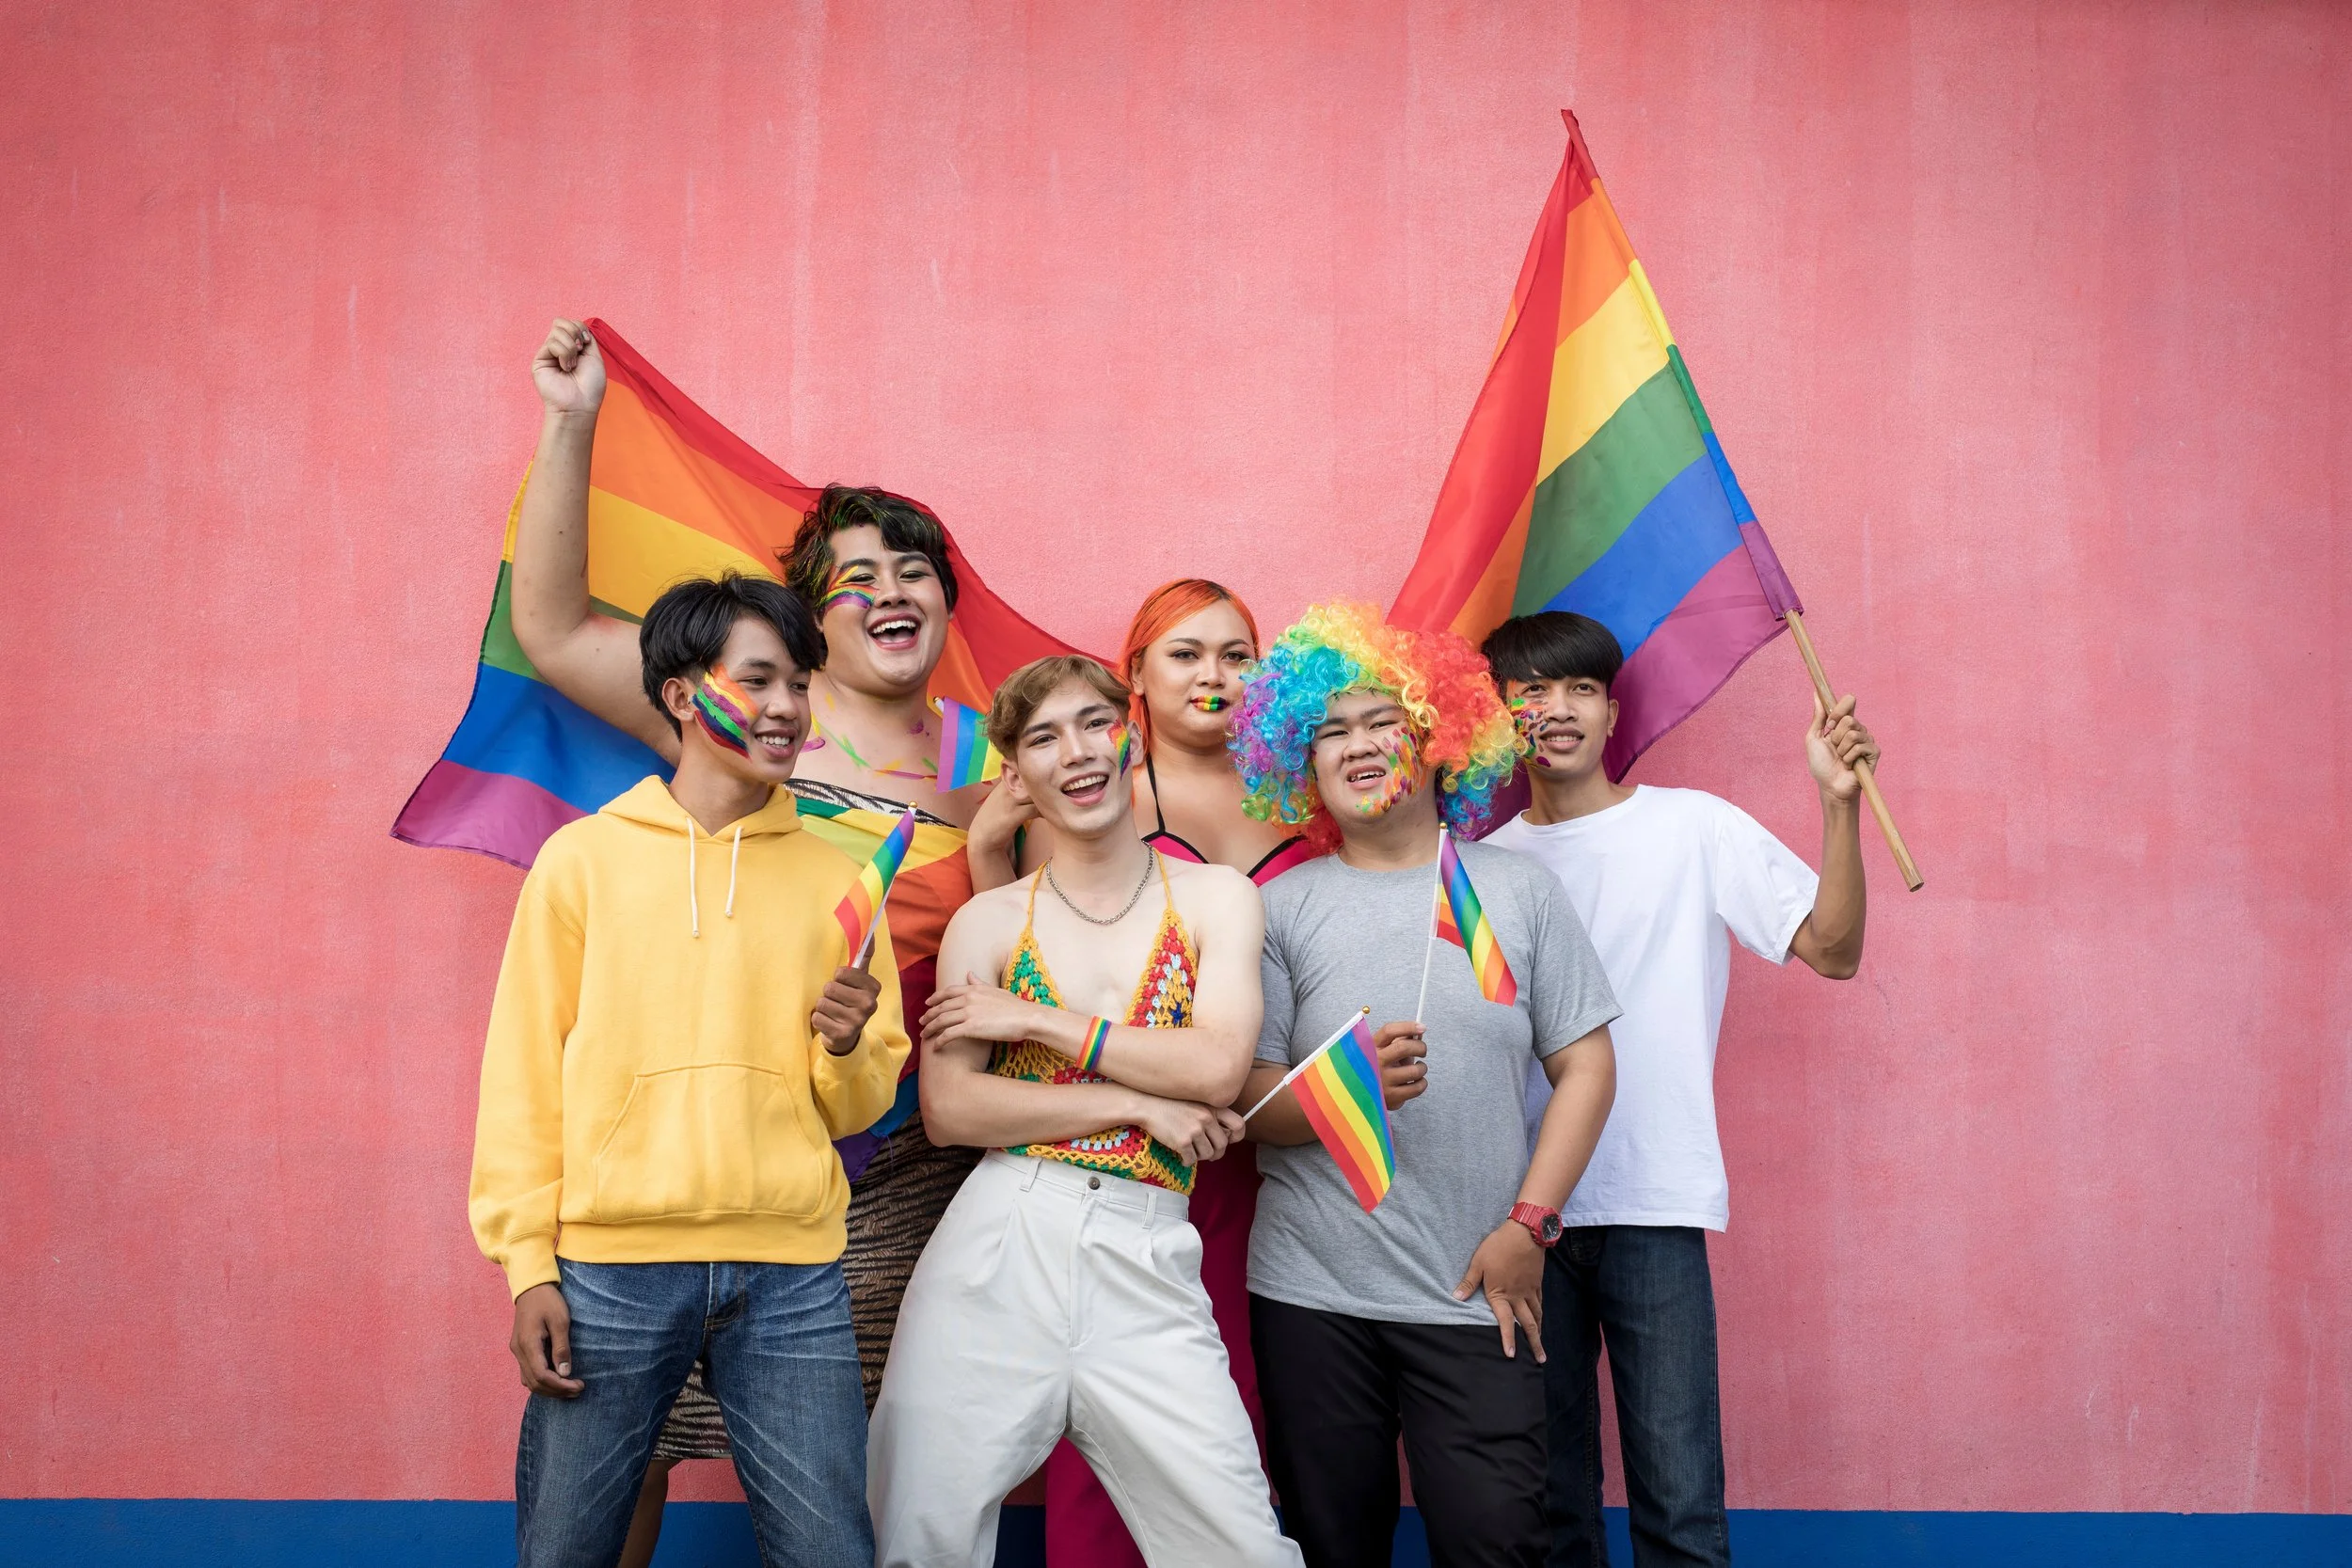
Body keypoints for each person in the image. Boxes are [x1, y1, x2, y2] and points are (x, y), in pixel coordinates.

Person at [511, 320, 1025, 1563]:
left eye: (915, 569)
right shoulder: (745, 719)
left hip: (895, 1151)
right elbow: (553, 628)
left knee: (863, 1456)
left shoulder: (990, 758)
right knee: (627, 1441)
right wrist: (572, 423)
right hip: (696, 1151)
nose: (892, 590)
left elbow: (1039, 935)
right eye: (857, 575)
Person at [469, 573, 909, 1567]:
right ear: (680, 693)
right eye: (758, 679)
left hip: (792, 1272)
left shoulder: (844, 879)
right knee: (566, 1551)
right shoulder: (582, 862)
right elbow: (524, 1074)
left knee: (830, 1551)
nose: (787, 706)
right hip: (609, 1271)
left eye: (799, 683)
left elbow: (859, 1099)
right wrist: (527, 1264)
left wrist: (845, 1047)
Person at [867, 655, 1302, 1568]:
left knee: (1239, 1549)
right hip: (1001, 1239)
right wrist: (1139, 1101)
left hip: (1147, 1250)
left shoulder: (1217, 897)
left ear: (1129, 738)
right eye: (1042, 737)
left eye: (1094, 723)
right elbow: (952, 1108)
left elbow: (1217, 1064)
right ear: (1015, 777)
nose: (1076, 751)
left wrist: (1034, 1020)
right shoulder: (988, 922)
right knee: (921, 1534)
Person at [1478, 610, 1877, 1568]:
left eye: (1580, 688)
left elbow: (1833, 950)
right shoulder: (1482, 865)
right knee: (1550, 1505)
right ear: (1496, 716)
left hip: (1655, 1198)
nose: (1558, 708)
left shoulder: (1691, 827)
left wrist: (1839, 805)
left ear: (1612, 710)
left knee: (1681, 1507)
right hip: (1520, 1214)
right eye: (1531, 690)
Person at [1230, 603, 1621, 1568]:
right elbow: (1252, 1104)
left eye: (1383, 720)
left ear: (1438, 738)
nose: (1359, 744)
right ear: (1303, 765)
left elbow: (1586, 1065)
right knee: (1331, 1544)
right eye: (1331, 732)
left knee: (1497, 1541)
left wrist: (1530, 1224)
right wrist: (1348, 1086)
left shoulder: (1517, 890)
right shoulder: (1277, 908)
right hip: (1313, 1291)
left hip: (1478, 1286)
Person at [1039, 579, 1316, 1567]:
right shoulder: (1087, 794)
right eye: (1186, 653)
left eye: (1237, 655)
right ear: (1135, 677)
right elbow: (1031, 962)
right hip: (1128, 1145)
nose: (1214, 674)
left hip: (1279, 1155)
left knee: (1237, 1402)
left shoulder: (1311, 795)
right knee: (1109, 1399)